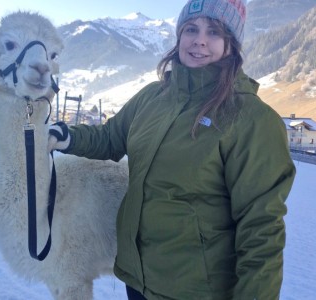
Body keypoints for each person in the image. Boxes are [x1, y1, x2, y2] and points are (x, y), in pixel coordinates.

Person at [48, 0, 296, 298]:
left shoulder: (252, 120)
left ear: (231, 44)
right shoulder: (153, 97)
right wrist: (65, 137)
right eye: (191, 28)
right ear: (179, 36)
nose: (199, 40)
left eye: (214, 32)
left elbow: (262, 230)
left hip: (194, 290)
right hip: (138, 279)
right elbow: (111, 137)